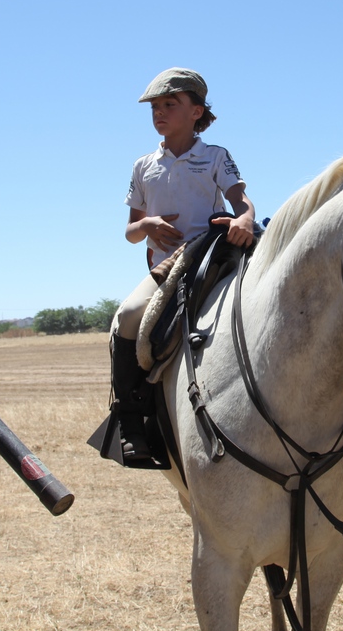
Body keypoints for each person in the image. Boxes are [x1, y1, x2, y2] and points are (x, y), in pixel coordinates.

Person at [107, 67, 256, 463]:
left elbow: (242, 204)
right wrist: (148, 224)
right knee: (127, 318)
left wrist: (243, 220)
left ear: (196, 111)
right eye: (155, 106)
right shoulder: (143, 166)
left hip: (215, 258)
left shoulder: (215, 156)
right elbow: (131, 232)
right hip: (168, 273)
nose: (159, 112)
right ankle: (131, 424)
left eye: (170, 104)